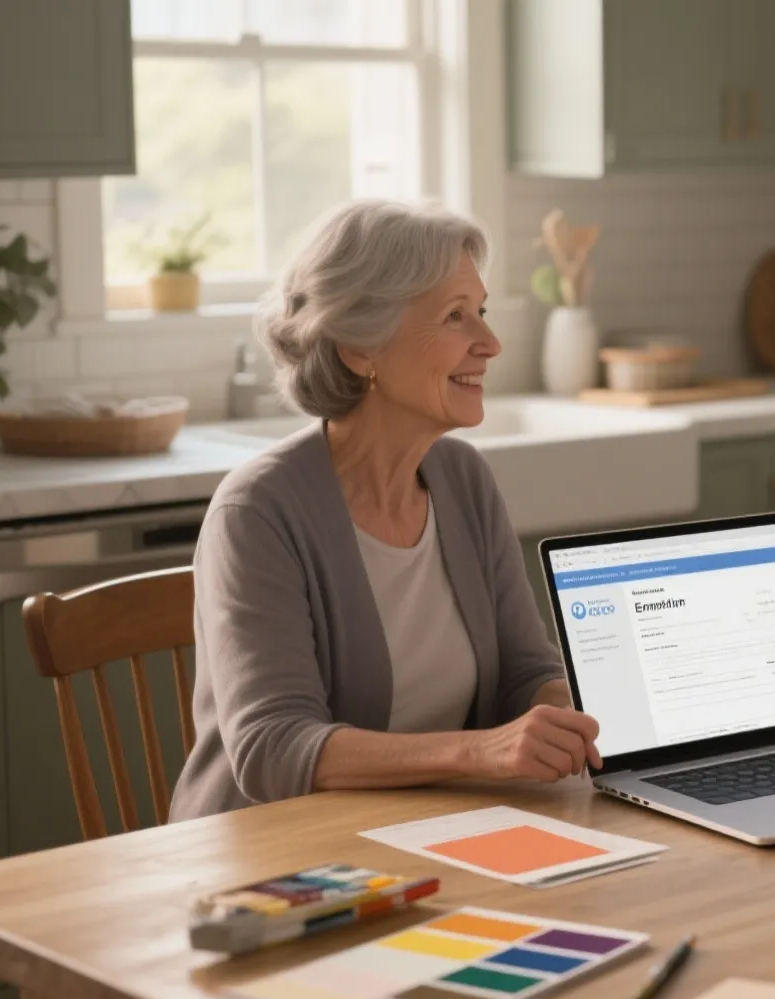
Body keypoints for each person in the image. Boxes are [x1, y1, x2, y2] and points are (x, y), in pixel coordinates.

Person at [170, 200, 601, 820]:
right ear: (357, 347)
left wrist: (575, 717)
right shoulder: (257, 512)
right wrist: (478, 753)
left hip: (427, 829)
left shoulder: (464, 480)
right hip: (271, 862)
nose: (491, 343)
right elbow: (273, 747)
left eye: (480, 311)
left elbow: (523, 672)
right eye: (456, 317)